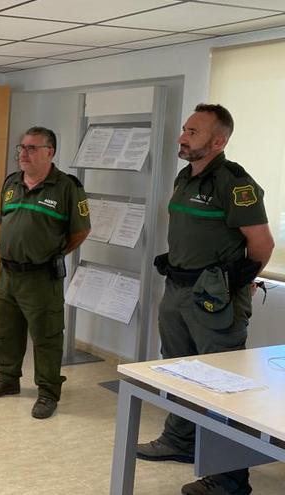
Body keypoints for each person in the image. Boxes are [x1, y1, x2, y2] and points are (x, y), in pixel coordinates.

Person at [136, 104, 273, 495]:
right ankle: (180, 440)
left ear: (218, 140)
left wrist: (237, 283)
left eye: (192, 132)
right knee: (179, 370)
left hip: (214, 301)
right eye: (184, 129)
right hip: (177, 291)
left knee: (221, 386)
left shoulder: (235, 183)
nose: (182, 137)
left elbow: (262, 246)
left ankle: (230, 480)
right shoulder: (186, 177)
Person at [0, 126, 90, 420]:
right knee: (7, 331)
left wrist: (50, 253)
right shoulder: (12, 182)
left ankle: (48, 391)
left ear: (49, 152)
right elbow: (7, 221)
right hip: (8, 273)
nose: (23, 153)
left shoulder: (67, 187)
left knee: (47, 336)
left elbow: (80, 232)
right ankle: (8, 378)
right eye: (21, 148)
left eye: (31, 148)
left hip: (41, 277)